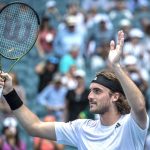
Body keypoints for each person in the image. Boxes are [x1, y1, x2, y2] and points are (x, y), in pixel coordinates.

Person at [0, 31, 149, 150]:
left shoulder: (131, 125)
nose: (90, 96)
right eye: (90, 91)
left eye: (97, 91)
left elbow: (140, 106)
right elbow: (34, 127)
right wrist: (9, 92)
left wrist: (116, 67)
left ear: (115, 96)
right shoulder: (81, 128)